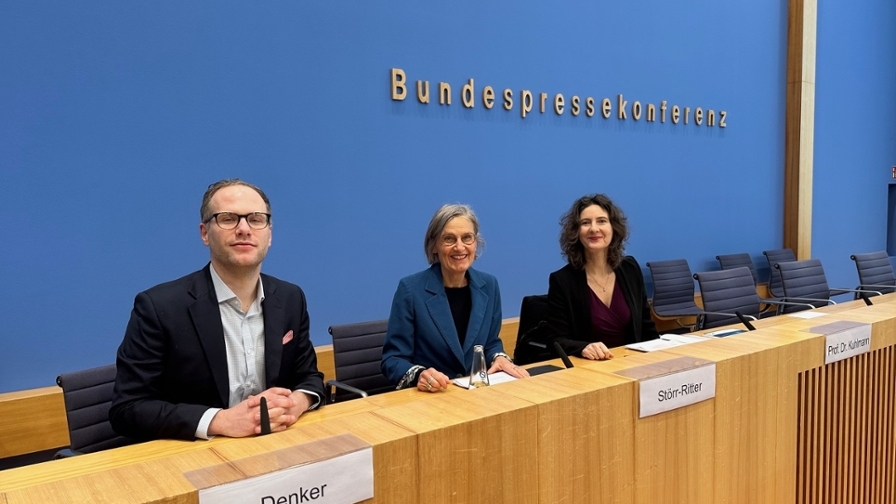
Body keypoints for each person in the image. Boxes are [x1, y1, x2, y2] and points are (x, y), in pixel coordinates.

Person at [110, 179, 325, 441]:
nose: (244, 229)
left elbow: (310, 377)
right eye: (228, 218)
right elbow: (128, 409)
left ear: (269, 234)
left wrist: (296, 403)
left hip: (274, 443)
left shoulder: (291, 298)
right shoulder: (159, 307)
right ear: (204, 233)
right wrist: (219, 420)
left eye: (256, 219)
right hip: (194, 455)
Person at [381, 204, 529, 392]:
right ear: (434, 245)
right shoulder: (411, 290)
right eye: (449, 239)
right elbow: (393, 359)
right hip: (432, 398)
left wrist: (498, 357)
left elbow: (490, 343)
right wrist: (420, 374)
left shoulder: (489, 285)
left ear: (476, 243)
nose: (460, 247)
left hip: (477, 396)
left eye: (467, 238)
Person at [547, 194, 658, 360]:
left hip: (632, 365)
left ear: (613, 228)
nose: (594, 229)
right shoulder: (562, 281)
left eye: (601, 221)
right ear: (576, 232)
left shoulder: (630, 269)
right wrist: (582, 348)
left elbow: (646, 326)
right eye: (585, 223)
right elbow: (555, 341)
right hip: (590, 371)